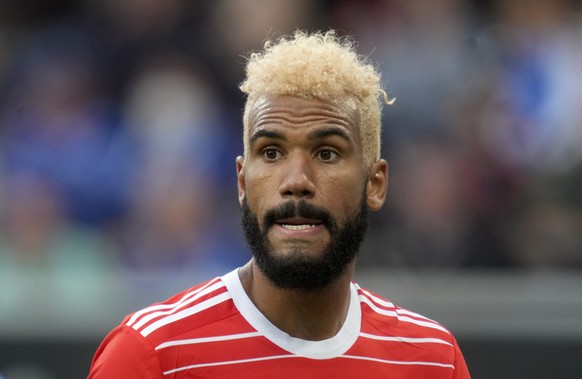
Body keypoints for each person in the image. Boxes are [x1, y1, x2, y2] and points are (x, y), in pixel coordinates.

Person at [87, 30, 470, 378]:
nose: (296, 182)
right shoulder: (150, 355)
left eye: (326, 154)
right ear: (241, 181)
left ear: (375, 183)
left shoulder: (432, 360)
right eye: (271, 152)